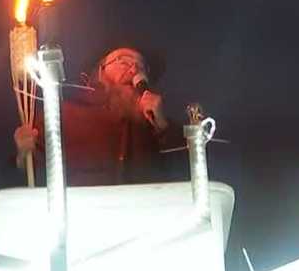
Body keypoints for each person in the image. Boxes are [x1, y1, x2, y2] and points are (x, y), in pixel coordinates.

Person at [13, 46, 186, 186]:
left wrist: (164, 129)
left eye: (140, 66)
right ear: (100, 72)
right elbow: (26, 180)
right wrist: (23, 155)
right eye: (123, 61)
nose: (134, 69)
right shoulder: (64, 116)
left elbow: (187, 176)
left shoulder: (158, 125)